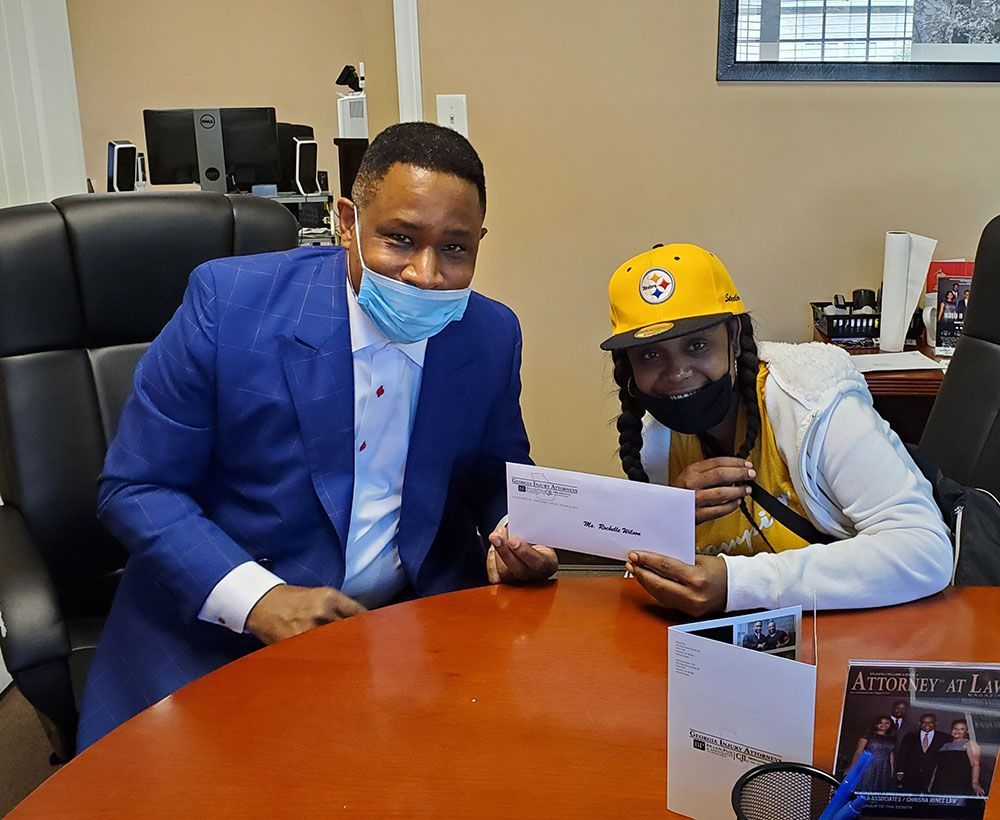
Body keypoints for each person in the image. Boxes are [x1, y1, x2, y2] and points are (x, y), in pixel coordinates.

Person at [77, 122, 556, 751]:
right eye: (400, 239)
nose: (425, 274)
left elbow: (495, 474)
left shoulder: (489, 335)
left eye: (456, 249)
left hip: (410, 626)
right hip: (220, 632)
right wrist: (261, 600)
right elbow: (136, 487)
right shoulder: (229, 305)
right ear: (348, 223)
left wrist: (512, 534)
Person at [598, 243, 951, 615]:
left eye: (698, 345)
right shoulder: (655, 441)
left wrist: (740, 584)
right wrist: (665, 521)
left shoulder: (814, 403)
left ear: (733, 337)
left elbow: (925, 549)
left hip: (851, 633)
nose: (677, 373)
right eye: (651, 355)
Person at [930, 719, 986, 796]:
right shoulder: (945, 745)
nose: (958, 731)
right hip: (940, 784)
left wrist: (975, 782)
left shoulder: (970, 744)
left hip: (959, 784)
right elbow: (937, 767)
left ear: (967, 731)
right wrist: (931, 784)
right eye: (955, 728)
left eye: (962, 729)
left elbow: (975, 764)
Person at [897, 713, 947, 793]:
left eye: (930, 722)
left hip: (933, 776)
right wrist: (900, 771)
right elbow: (903, 754)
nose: (927, 725)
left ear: (935, 723)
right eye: (924, 722)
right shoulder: (909, 737)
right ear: (920, 723)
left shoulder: (944, 738)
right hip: (911, 775)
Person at [850, 716, 897, 793]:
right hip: (868, 765)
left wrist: (892, 770)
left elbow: (891, 755)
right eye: (881, 723)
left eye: (887, 723)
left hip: (884, 767)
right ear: (876, 724)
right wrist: (853, 766)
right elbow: (859, 751)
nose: (883, 725)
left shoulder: (892, 739)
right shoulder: (867, 736)